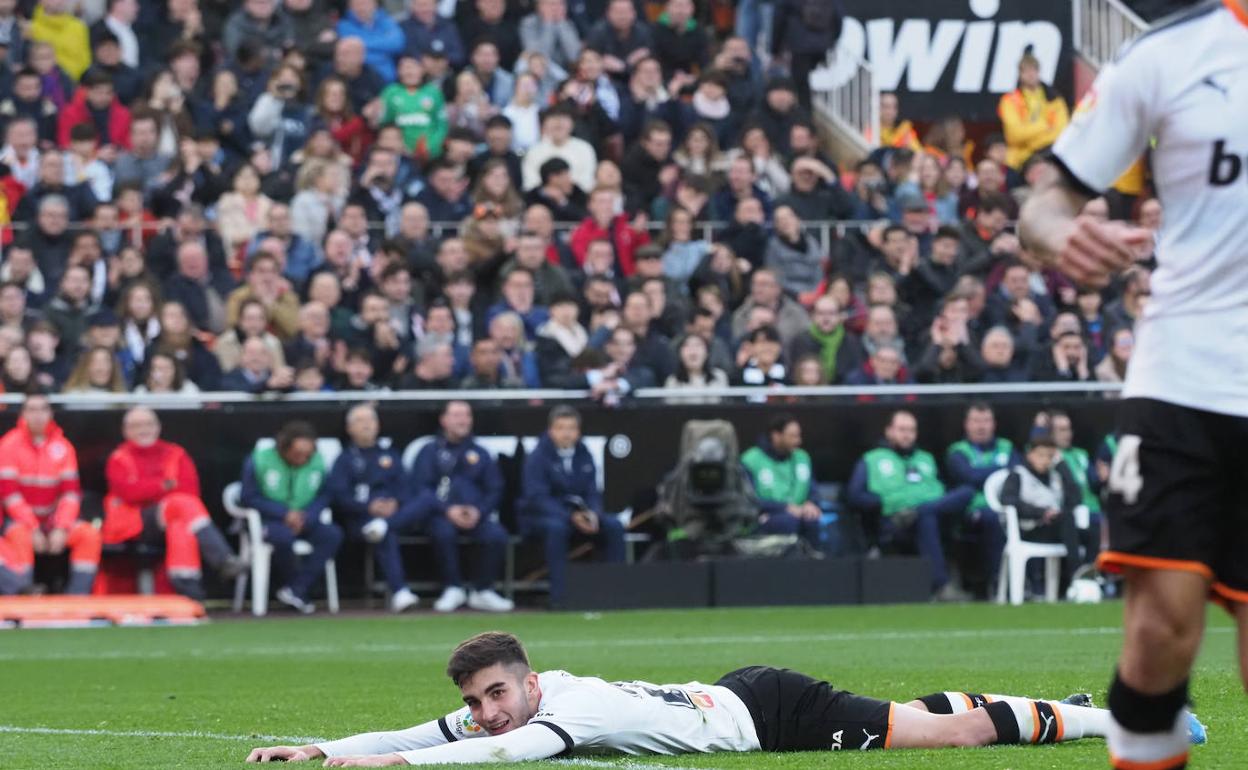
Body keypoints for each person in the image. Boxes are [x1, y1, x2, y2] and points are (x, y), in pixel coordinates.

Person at [1019, 6, 1248, 764]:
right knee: (1158, 635)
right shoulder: (1168, 54)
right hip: (1185, 376)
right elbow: (1041, 208)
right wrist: (1065, 235)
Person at [246, 630, 1140, 766]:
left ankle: (1111, 716)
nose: (485, 713)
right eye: (478, 702)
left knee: (956, 737)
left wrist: (404, 764)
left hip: (770, 713)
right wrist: (331, 750)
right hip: (734, 697)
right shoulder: (532, 697)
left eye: (493, 695)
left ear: (526, 678)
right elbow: (435, 726)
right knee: (923, 715)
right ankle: (1067, 704)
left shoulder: (564, 712)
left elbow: (501, 752)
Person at [103, 407, 244, 599]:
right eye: (137, 425)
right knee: (180, 504)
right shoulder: (119, 458)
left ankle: (189, 594)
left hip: (173, 516)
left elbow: (190, 490)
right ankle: (223, 558)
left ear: (158, 427)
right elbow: (129, 493)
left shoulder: (176, 453)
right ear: (126, 430)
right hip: (135, 524)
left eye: (148, 424)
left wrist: (154, 490)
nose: (143, 430)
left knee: (180, 525)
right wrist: (165, 485)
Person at [847, 410, 973, 597]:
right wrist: (884, 502)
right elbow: (854, 495)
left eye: (911, 430)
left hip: (932, 512)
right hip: (895, 521)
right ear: (889, 431)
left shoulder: (926, 458)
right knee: (927, 518)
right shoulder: (872, 459)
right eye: (902, 429)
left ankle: (920, 511)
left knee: (967, 491)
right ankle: (941, 586)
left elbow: (941, 488)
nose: (907, 435)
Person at [406, 401, 514, 613]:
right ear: (444, 420)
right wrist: (447, 509)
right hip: (439, 514)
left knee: (496, 534)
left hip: (475, 515)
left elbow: (494, 488)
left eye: (466, 415)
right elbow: (421, 489)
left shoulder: (481, 453)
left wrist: (479, 511)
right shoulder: (429, 451)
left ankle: (483, 589)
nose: (463, 420)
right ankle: (452, 587)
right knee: (442, 531)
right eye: (456, 415)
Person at [519, 406, 624, 607]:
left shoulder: (584, 454)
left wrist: (592, 513)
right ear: (551, 431)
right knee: (556, 529)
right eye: (560, 428)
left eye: (571, 428)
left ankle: (614, 593)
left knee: (613, 526)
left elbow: (593, 491)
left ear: (578, 432)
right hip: (541, 518)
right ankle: (560, 597)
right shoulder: (537, 457)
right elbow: (537, 498)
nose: (566, 433)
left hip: (578, 516)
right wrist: (570, 517)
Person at [239, 420, 343, 613]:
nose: (303, 459)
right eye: (297, 454)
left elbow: (326, 494)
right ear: (283, 448)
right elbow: (248, 497)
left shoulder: (318, 461)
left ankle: (296, 589)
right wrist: (284, 514)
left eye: (307, 455)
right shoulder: (259, 459)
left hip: (305, 518)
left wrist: (308, 516)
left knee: (332, 535)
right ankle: (296, 589)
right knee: (282, 538)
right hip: (272, 519)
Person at [0, 394, 100, 595]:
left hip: (53, 521)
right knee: (20, 536)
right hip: (20, 522)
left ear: (50, 414)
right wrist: (33, 527)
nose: (38, 415)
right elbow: (9, 495)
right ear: (23, 414)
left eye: (43, 409)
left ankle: (77, 599)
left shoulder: (63, 447)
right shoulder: (9, 445)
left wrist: (61, 527)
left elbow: (71, 494)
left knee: (89, 535)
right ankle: (24, 595)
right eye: (32, 410)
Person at [325, 403, 418, 613]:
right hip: (361, 521)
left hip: (396, 515)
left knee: (424, 501)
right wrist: (368, 507)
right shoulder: (344, 459)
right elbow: (338, 496)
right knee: (383, 534)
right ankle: (400, 591)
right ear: (349, 428)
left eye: (371, 420)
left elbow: (406, 488)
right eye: (360, 420)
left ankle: (384, 524)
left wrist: (395, 503)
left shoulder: (391, 455)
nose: (367, 425)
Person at [997, 433, 1088, 590]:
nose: (1045, 460)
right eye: (1040, 455)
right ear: (1030, 455)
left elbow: (1076, 499)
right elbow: (1008, 501)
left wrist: (1063, 466)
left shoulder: (1056, 475)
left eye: (1050, 456)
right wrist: (1041, 512)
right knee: (1066, 520)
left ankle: (1090, 577)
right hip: (1029, 529)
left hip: (1056, 527)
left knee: (1092, 529)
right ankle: (1076, 575)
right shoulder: (1018, 474)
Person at [945, 402, 1013, 591]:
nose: (981, 426)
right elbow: (969, 477)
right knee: (992, 518)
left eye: (986, 421)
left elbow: (1018, 472)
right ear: (967, 424)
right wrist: (1002, 470)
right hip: (973, 512)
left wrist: (983, 473)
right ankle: (997, 582)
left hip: (1010, 507)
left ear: (994, 424)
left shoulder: (1006, 447)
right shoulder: (958, 451)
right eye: (976, 421)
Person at [740, 414, 822, 547]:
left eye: (799, 435)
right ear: (776, 435)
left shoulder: (802, 457)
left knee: (811, 520)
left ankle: (816, 562)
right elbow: (748, 500)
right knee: (787, 521)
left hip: (797, 513)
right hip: (764, 516)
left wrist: (811, 503)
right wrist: (784, 508)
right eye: (793, 436)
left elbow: (813, 490)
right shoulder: (751, 459)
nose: (798, 441)